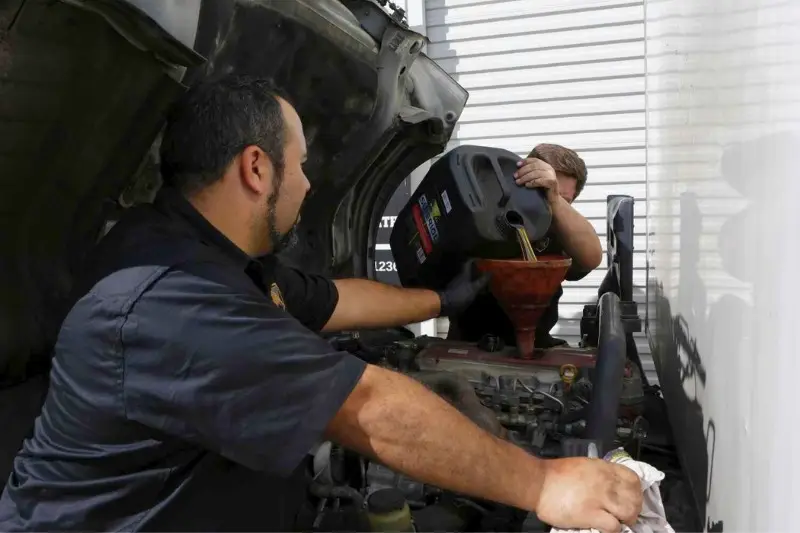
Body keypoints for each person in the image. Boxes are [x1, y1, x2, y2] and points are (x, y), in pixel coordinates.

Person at [0, 75, 640, 532]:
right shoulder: (168, 298)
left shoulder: (210, 256)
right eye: (302, 166)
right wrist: (544, 483)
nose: (308, 185)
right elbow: (366, 407)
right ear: (257, 169)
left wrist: (440, 298)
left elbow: (334, 300)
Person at [448, 143, 603, 349]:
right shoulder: (485, 214)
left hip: (536, 347)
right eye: (542, 192)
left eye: (562, 199)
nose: (546, 203)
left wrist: (555, 202)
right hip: (469, 345)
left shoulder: (562, 232)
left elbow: (591, 257)